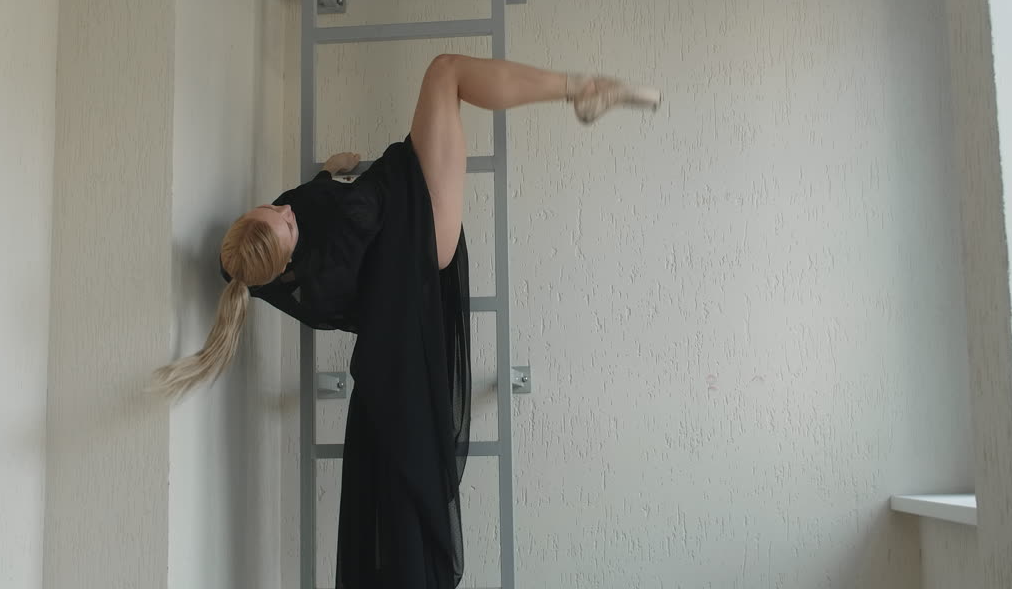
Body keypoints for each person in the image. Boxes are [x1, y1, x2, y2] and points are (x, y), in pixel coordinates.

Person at [152, 54, 659, 588]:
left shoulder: (252, 268)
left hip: (410, 248)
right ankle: (581, 89)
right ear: (289, 256)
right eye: (286, 224)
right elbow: (354, 220)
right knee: (445, 73)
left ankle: (582, 88)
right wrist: (329, 190)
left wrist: (325, 175)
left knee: (445, 76)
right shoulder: (343, 231)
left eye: (272, 210)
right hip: (419, 240)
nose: (286, 211)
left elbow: (243, 260)